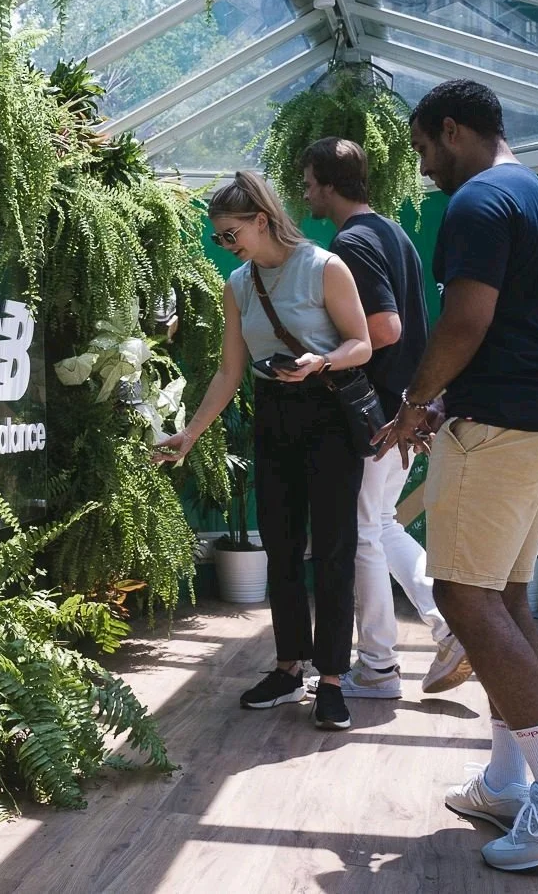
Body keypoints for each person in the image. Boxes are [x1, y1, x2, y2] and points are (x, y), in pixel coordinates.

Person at [376, 79, 538, 870]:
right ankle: (509, 777)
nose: (424, 169)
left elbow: (466, 320)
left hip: (502, 432)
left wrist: (415, 401)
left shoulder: (480, 202)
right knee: (505, 595)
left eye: (423, 149)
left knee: (461, 595)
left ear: (453, 129)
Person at [154, 170, 372, 731]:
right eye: (220, 239)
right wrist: (191, 434)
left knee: (332, 549)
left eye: (232, 234)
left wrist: (318, 361)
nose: (226, 246)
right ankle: (287, 666)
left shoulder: (325, 267)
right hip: (274, 415)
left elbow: (362, 343)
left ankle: (330, 680)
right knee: (280, 545)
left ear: (262, 219)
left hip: (326, 413)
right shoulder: (239, 285)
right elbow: (230, 370)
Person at [300, 137, 471, 700]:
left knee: (362, 535)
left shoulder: (351, 242)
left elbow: (386, 329)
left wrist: (324, 354)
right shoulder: (394, 233)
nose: (304, 193)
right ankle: (450, 628)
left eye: (307, 183)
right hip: (401, 405)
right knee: (382, 525)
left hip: (373, 412)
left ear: (328, 182)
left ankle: (378, 667)